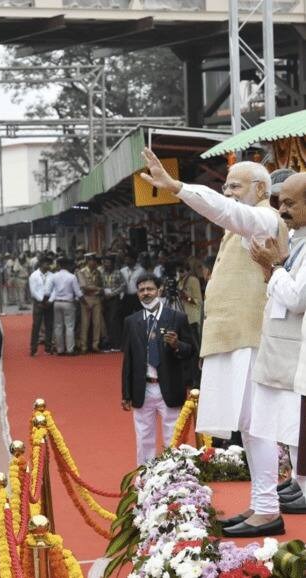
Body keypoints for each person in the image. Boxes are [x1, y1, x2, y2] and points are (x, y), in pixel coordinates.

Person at [141, 148, 289, 538]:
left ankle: (268, 508)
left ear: (260, 188)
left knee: (257, 425)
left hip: (249, 336)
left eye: (235, 186)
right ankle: (262, 506)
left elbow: (228, 212)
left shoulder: (263, 218)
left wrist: (177, 187)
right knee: (248, 425)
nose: (228, 192)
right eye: (225, 186)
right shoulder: (244, 223)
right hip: (234, 337)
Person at [248, 173, 306, 514]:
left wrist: (273, 268)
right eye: (279, 202)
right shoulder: (297, 239)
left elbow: (297, 299)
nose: (282, 210)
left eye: (290, 203)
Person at [121, 274, 194, 465]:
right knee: (144, 438)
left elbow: (191, 351)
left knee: (173, 437)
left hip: (169, 385)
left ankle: (174, 476)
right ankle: (146, 479)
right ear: (137, 293)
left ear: (159, 290)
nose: (146, 293)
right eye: (142, 290)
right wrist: (126, 393)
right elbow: (128, 359)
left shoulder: (177, 318)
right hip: (142, 387)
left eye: (150, 289)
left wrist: (177, 344)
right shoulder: (131, 321)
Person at [51, 257, 82, 355]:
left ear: (59, 265)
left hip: (57, 302)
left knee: (58, 326)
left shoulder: (54, 276)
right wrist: (83, 302)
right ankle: (70, 349)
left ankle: (60, 349)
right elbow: (78, 293)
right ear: (67, 266)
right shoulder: (72, 277)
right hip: (68, 303)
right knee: (69, 326)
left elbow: (50, 290)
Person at [77, 253, 104, 353]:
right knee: (85, 323)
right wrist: (98, 289)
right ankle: (83, 346)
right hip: (86, 299)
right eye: (92, 260)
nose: (95, 263)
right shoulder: (81, 272)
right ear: (88, 261)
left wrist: (98, 290)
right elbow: (84, 287)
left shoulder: (98, 272)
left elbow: (101, 283)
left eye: (95, 261)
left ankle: (95, 345)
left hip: (96, 298)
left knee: (97, 323)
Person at [29, 256, 54, 356]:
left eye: (48, 263)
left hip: (49, 302)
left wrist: (50, 300)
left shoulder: (52, 275)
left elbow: (55, 289)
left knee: (49, 325)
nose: (47, 265)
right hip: (38, 302)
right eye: (45, 263)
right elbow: (33, 290)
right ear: (40, 264)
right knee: (36, 325)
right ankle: (33, 348)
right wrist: (41, 300)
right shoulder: (33, 276)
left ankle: (48, 347)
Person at [102, 255, 126, 351]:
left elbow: (123, 285)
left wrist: (113, 293)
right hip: (105, 299)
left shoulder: (118, 272)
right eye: (105, 262)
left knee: (114, 321)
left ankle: (117, 344)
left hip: (114, 299)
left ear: (112, 263)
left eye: (108, 262)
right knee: (107, 321)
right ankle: (110, 343)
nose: (106, 264)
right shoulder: (103, 273)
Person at [120, 252, 146, 318]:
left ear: (133, 260)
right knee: (126, 315)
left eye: (128, 259)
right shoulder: (122, 270)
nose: (126, 261)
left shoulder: (141, 270)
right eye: (125, 259)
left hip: (137, 296)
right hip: (126, 296)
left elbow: (145, 283)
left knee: (140, 315)